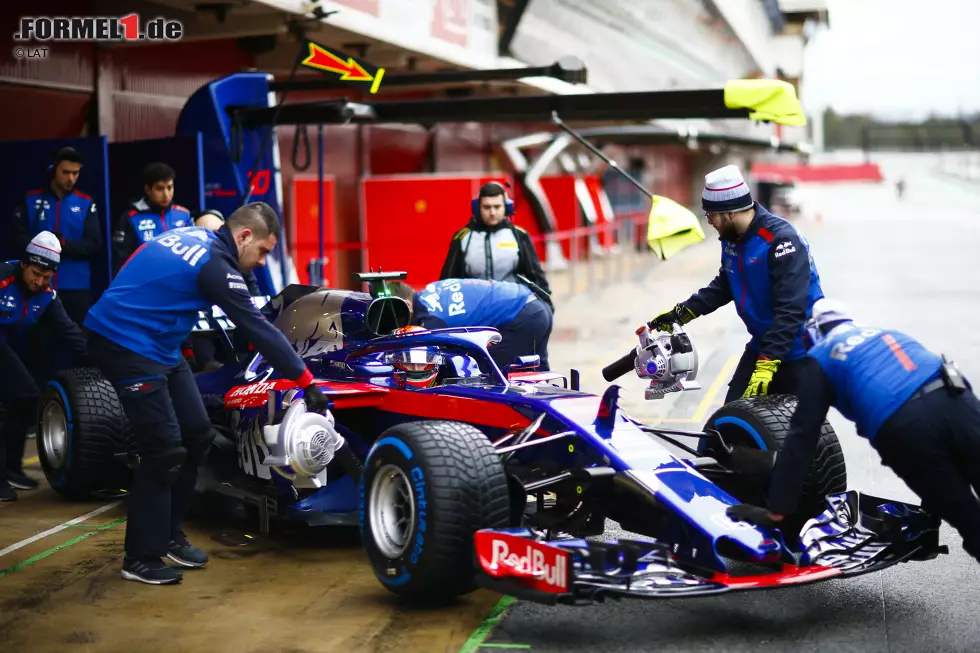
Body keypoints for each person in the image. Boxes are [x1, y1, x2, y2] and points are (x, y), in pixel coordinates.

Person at [83, 202, 328, 585]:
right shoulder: (216, 265)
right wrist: (306, 381)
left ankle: (168, 535)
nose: (264, 262)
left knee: (198, 435)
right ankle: (140, 557)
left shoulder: (195, 235)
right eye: (263, 251)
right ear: (243, 236)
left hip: (160, 345)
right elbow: (258, 329)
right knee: (162, 449)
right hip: (123, 342)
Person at [726, 299, 980, 564]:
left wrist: (776, 511)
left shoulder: (822, 356)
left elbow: (802, 437)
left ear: (813, 334)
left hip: (904, 424)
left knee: (969, 520)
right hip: (958, 400)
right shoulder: (887, 334)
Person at [647, 164, 824, 402]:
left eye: (711, 215)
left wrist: (767, 364)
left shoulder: (781, 241)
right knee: (726, 427)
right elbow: (727, 283)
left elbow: (792, 310)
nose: (709, 221)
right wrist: (683, 312)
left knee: (796, 435)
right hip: (763, 346)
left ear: (730, 213)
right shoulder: (732, 238)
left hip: (800, 352)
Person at [0, 232, 88, 501]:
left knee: (25, 401)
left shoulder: (47, 296)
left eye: (47, 277)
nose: (39, 282)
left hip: (8, 346)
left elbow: (70, 332)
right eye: (36, 273)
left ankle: (13, 469)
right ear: (24, 264)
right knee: (18, 395)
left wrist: (100, 359)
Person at [9, 147, 103, 325]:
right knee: (39, 345)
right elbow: (16, 238)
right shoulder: (31, 199)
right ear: (53, 170)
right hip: (37, 286)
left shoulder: (86, 202)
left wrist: (62, 244)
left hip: (75, 287)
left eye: (75, 173)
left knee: (79, 341)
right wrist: (44, 247)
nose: (71, 178)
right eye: (65, 172)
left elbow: (94, 244)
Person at [387, 278, 553, 372]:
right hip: (535, 303)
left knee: (482, 373)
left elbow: (446, 356)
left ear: (407, 305)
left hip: (523, 315)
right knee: (539, 373)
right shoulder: (430, 290)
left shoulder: (431, 320)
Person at [439, 181, 553, 311]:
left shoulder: (519, 235)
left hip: (510, 308)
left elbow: (536, 276)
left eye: (497, 207)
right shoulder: (462, 237)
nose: (492, 212)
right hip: (473, 310)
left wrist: (547, 305)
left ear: (506, 207)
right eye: (487, 207)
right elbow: (447, 280)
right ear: (477, 208)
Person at [113, 162, 192, 272]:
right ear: (148, 190)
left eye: (170, 187)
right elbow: (122, 262)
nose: (166, 194)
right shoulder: (131, 219)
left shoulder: (184, 215)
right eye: (160, 189)